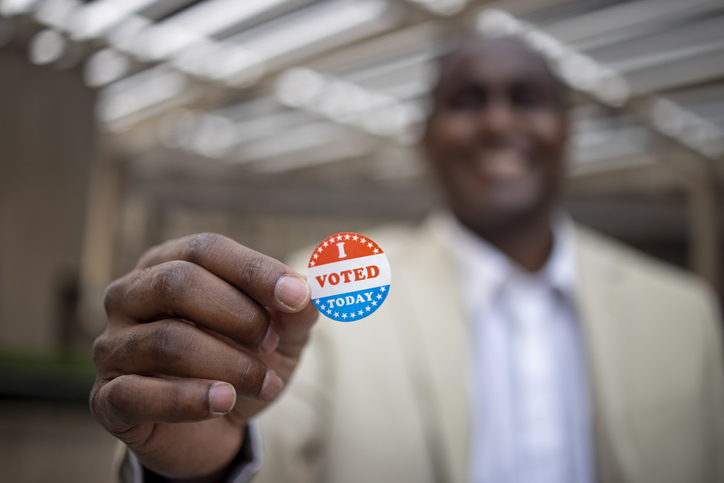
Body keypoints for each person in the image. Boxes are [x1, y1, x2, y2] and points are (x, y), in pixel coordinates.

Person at [91, 35, 724, 483]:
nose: (498, 121)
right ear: (425, 138)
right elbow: (267, 443)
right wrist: (203, 462)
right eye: (467, 101)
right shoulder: (330, 286)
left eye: (526, 98)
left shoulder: (684, 312)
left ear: (567, 129)